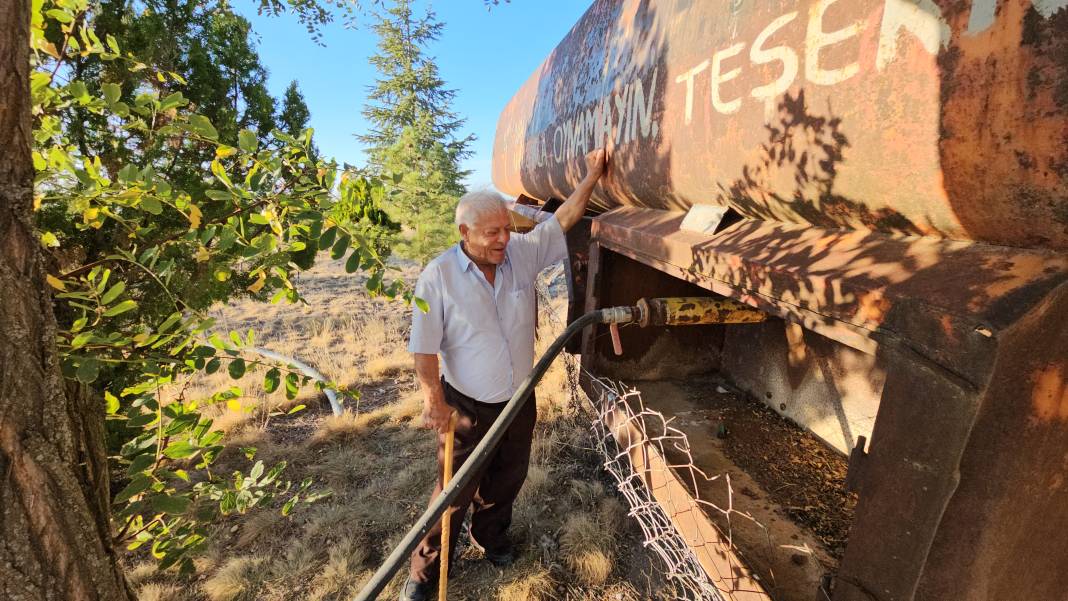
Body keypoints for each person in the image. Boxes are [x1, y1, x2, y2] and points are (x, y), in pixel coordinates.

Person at [400, 149, 607, 600]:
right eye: (491, 233)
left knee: (508, 477)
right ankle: (424, 575)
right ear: (464, 232)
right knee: (452, 493)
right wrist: (434, 401)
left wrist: (591, 175)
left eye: (506, 230)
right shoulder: (438, 278)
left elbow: (564, 219)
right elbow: (424, 348)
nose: (502, 240)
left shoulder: (521, 255)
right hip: (467, 405)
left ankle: (490, 539)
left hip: (518, 400)